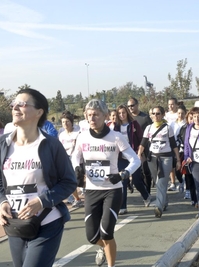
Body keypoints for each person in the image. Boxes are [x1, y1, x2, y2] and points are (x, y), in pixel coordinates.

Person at [0, 88, 77, 267]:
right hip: (15, 223)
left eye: (22, 104)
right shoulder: (2, 144)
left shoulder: (51, 145)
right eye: (13, 104)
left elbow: (69, 181)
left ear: (39, 112)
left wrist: (41, 201)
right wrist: (2, 203)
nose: (15, 108)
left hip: (47, 221)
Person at [71, 99, 140, 267]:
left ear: (105, 116)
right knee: (92, 237)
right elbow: (75, 156)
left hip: (112, 190)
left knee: (107, 233)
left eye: (96, 115)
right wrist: (77, 168)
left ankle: (111, 265)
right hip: (92, 190)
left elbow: (135, 160)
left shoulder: (116, 137)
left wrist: (123, 175)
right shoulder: (83, 137)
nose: (92, 118)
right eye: (89, 115)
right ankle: (102, 248)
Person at [137, 106, 181, 218]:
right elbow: (143, 143)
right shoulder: (148, 128)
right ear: (150, 115)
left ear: (162, 115)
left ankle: (158, 206)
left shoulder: (167, 128)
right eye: (153, 113)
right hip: (152, 158)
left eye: (158, 113)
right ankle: (164, 202)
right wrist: (138, 155)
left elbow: (173, 144)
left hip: (166, 157)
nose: (155, 116)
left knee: (162, 181)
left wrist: (178, 159)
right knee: (158, 182)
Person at [113, 105, 151, 215]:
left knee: (137, 180)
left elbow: (141, 140)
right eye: (119, 113)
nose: (121, 115)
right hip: (121, 158)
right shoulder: (116, 127)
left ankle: (146, 196)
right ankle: (123, 206)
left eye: (123, 112)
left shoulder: (134, 124)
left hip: (133, 156)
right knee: (122, 181)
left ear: (127, 113)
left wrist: (140, 153)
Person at [127, 97, 153, 193]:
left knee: (145, 170)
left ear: (137, 105)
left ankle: (148, 190)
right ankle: (138, 187)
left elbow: (152, 131)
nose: (130, 108)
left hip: (144, 148)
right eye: (128, 106)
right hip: (132, 148)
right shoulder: (128, 118)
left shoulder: (145, 117)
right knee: (136, 171)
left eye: (132, 105)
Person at [58, 111, 84, 208]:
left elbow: (79, 147)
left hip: (78, 160)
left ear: (71, 122)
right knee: (70, 181)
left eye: (67, 122)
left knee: (80, 181)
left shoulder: (77, 133)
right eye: (63, 122)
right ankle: (77, 199)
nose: (65, 124)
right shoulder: (61, 135)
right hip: (66, 160)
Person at [176, 110, 198, 206]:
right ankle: (193, 198)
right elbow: (178, 139)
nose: (193, 120)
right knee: (189, 177)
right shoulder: (183, 128)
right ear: (187, 119)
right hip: (187, 156)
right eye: (191, 118)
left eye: (195, 117)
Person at [165, 97, 179, 191]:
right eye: (169, 104)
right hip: (167, 141)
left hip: (177, 141)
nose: (170, 106)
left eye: (172, 104)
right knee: (170, 164)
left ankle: (179, 181)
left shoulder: (179, 114)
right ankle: (172, 182)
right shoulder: (166, 115)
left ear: (176, 104)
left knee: (177, 163)